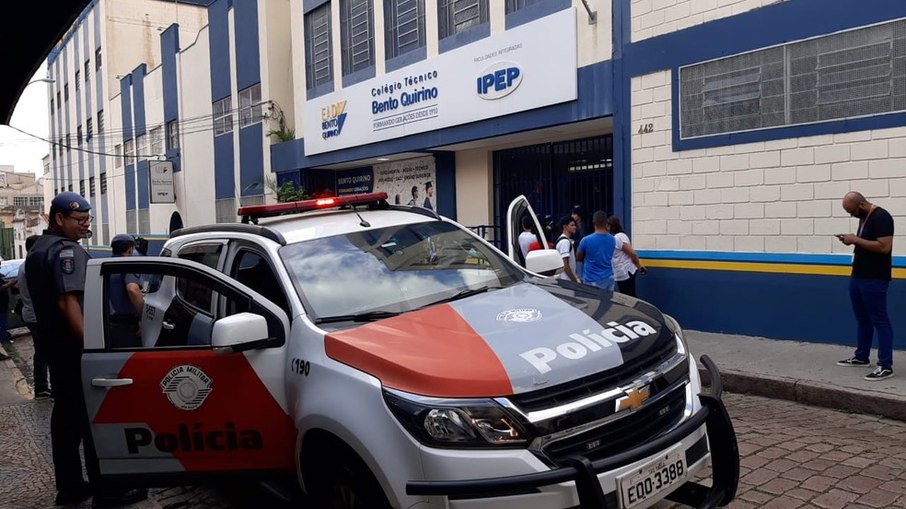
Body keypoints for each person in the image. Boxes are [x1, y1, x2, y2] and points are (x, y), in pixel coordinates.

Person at [26, 191, 147, 507]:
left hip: (57, 348)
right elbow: (69, 303)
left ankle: (70, 487)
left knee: (66, 421)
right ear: (59, 219)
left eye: (87, 219)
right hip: (74, 349)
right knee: (94, 417)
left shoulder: (40, 249)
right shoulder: (66, 252)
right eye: (79, 220)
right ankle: (107, 489)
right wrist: (92, 347)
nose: (85, 225)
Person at [835, 192, 895, 381]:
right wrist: (851, 240)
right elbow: (866, 244)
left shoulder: (882, 217)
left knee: (880, 320)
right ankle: (862, 356)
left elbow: (884, 247)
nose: (851, 215)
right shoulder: (864, 217)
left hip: (874, 278)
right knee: (862, 318)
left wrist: (855, 240)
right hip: (858, 276)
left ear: (861, 204)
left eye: (851, 211)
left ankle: (885, 365)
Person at [18, 235, 50, 396]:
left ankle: (42, 385)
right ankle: (42, 386)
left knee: (42, 352)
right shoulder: (31, 266)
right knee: (45, 353)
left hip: (32, 314)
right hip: (37, 316)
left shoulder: (25, 265)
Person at [108, 234, 144, 348]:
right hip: (126, 325)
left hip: (108, 323)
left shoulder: (107, 267)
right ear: (130, 249)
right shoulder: (127, 265)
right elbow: (132, 289)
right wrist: (143, 319)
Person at [577, 211, 623, 291]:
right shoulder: (613, 239)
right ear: (606, 222)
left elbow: (579, 258)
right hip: (609, 278)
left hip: (591, 279)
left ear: (593, 222)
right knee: (607, 302)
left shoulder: (585, 240)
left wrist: (580, 276)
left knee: (592, 302)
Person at [607, 215, 647, 297]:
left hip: (626, 271)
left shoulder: (618, 237)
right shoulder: (621, 236)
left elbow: (632, 253)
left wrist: (639, 266)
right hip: (623, 272)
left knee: (628, 297)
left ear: (610, 226)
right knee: (628, 296)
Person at [555, 215, 579, 283]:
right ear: (565, 226)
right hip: (567, 280)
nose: (575, 227)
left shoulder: (564, 240)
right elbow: (565, 264)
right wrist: (574, 280)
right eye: (572, 225)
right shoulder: (565, 242)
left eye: (575, 225)